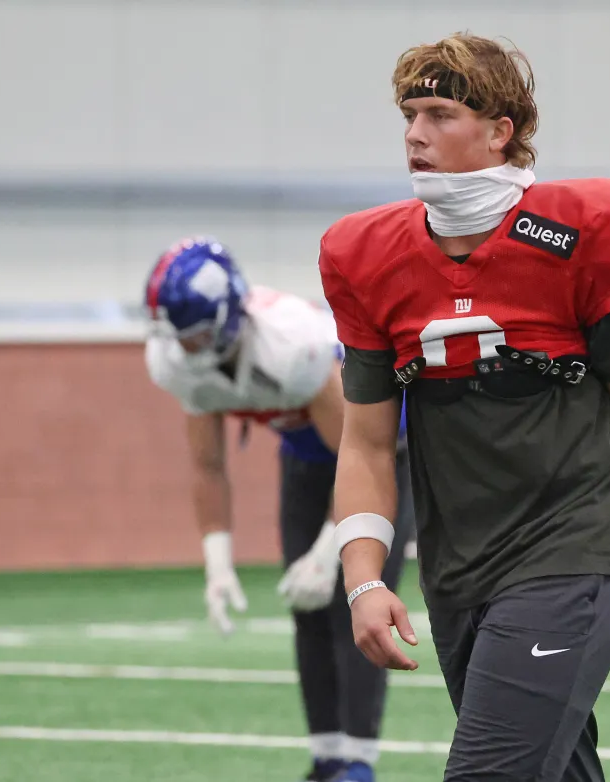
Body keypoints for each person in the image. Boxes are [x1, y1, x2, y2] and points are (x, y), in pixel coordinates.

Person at [317, 34, 610, 782]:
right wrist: (363, 580)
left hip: (572, 554)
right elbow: (365, 444)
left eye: (440, 114)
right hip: (458, 570)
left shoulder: (584, 232)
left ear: (500, 131)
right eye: (409, 115)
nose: (415, 134)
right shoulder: (365, 254)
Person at [143, 236, 414, 782]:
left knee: (359, 605)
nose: (186, 348)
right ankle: (327, 757)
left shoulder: (292, 345)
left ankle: (358, 763)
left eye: (196, 334)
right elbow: (208, 467)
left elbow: (359, 456)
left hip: (379, 453)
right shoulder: (181, 362)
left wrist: (328, 552)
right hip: (307, 456)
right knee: (306, 608)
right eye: (179, 336)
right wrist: (217, 564)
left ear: (226, 318)